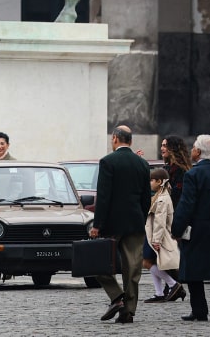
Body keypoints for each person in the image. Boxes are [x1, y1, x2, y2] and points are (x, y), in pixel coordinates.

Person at [89, 125, 151, 324]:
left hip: (112, 223)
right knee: (132, 269)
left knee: (97, 261)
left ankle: (117, 297)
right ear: (131, 141)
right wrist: (141, 217)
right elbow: (145, 198)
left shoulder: (108, 161)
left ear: (115, 138)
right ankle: (128, 311)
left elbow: (104, 196)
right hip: (135, 221)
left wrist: (97, 224)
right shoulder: (142, 164)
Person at [172, 134, 210, 322]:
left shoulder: (193, 175)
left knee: (194, 271)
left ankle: (199, 309)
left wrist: (176, 229)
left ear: (199, 152)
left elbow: (186, 205)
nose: (192, 150)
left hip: (198, 230)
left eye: (194, 147)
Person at [142, 168, 182, 303]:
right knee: (153, 263)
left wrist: (156, 240)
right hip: (154, 235)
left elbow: (160, 221)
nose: (150, 183)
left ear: (159, 182)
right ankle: (159, 293)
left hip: (157, 236)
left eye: (152, 180)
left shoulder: (162, 198)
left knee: (146, 262)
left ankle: (173, 285)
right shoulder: (159, 196)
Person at [161, 135, 193, 210]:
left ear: (173, 148)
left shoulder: (181, 170)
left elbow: (177, 194)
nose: (161, 148)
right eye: (162, 145)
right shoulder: (166, 167)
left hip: (176, 210)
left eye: (165, 146)